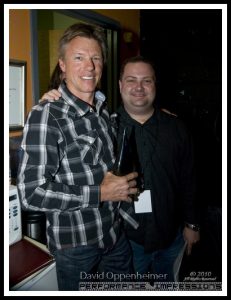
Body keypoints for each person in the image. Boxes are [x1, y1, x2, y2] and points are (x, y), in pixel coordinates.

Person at [41, 56, 200, 283]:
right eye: (131, 80)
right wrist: (51, 101)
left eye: (147, 81)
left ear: (155, 84)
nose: (138, 87)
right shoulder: (104, 128)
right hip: (126, 241)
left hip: (171, 238)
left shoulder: (177, 127)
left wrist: (192, 224)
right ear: (119, 85)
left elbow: (189, 179)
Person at [17, 23, 139, 291]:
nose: (90, 66)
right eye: (79, 58)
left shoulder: (104, 111)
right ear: (62, 64)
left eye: (96, 58)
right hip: (76, 247)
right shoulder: (47, 114)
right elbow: (31, 193)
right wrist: (99, 193)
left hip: (114, 235)